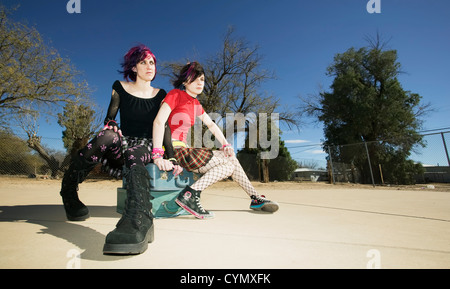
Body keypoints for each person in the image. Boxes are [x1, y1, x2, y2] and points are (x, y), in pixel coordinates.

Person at [59, 44, 181, 255]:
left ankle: (139, 217)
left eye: (152, 62)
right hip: (122, 146)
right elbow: (110, 117)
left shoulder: (161, 94)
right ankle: (69, 190)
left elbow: (165, 126)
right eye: (143, 62)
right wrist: (111, 124)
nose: (149, 66)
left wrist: (172, 157)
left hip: (146, 148)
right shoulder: (120, 87)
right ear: (133, 67)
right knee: (106, 135)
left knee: (135, 153)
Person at [152, 62, 279, 219]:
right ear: (185, 81)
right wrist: (157, 154)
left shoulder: (196, 104)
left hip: (185, 150)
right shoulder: (175, 95)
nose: (200, 83)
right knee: (229, 162)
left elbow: (211, 124)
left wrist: (225, 144)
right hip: (175, 152)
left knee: (229, 161)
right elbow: (158, 122)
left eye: (203, 79)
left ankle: (252, 197)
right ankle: (193, 195)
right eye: (195, 78)